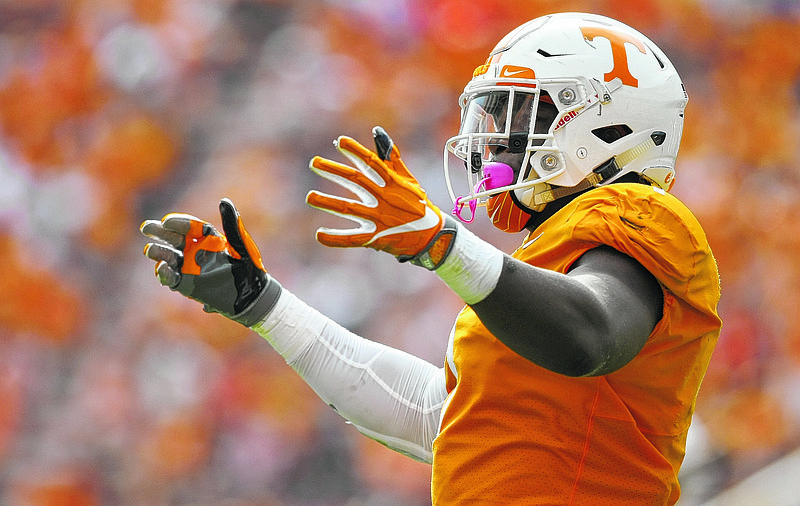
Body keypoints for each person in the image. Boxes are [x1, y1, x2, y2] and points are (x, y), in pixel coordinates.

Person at [141, 12, 721, 506]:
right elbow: (438, 418)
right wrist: (265, 306)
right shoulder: (545, 258)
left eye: (519, 115)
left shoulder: (644, 213)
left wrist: (443, 245)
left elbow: (590, 337)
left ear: (603, 121)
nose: (493, 139)